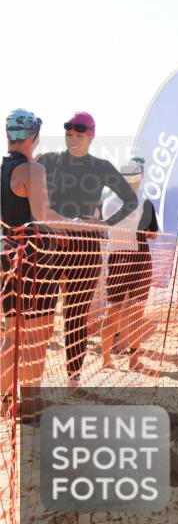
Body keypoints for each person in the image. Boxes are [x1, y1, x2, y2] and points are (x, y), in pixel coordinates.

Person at [37, 111, 137, 382]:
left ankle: (73, 377)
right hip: (50, 244)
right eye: (68, 134)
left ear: (91, 135)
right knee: (41, 316)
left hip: (86, 247)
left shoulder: (101, 166)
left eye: (78, 135)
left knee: (76, 315)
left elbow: (130, 200)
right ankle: (31, 376)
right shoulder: (48, 160)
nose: (73, 139)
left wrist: (105, 223)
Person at [1, 109, 75, 413]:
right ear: (33, 136)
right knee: (37, 336)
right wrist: (76, 223)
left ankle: (8, 400)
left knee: (11, 333)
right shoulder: (33, 170)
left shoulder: (4, 170)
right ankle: (29, 404)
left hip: (8, 255)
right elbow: (45, 217)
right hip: (35, 259)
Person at [100, 156, 159, 372]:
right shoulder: (145, 203)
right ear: (140, 177)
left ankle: (106, 358)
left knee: (113, 310)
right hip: (139, 260)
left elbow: (108, 227)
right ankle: (133, 359)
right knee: (134, 312)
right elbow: (153, 235)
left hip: (117, 258)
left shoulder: (108, 202)